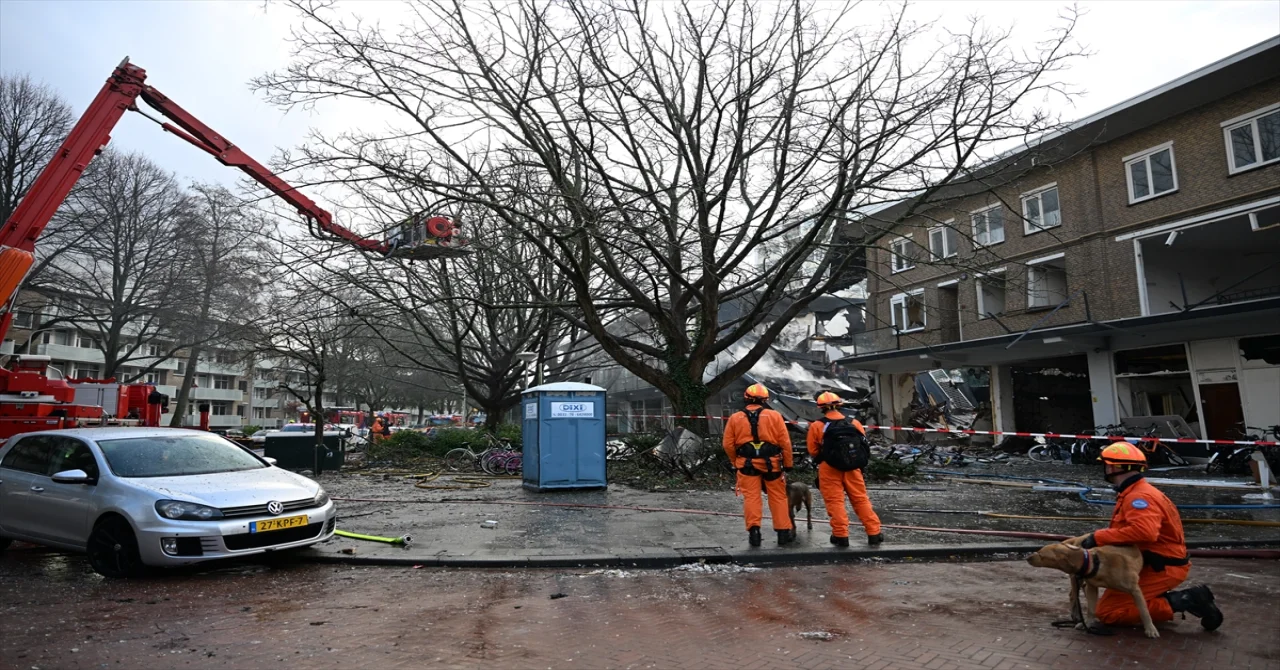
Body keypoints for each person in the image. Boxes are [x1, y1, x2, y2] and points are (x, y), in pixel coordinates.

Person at [1078, 442, 1223, 632]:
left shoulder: (1139, 497)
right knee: (1110, 600)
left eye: (1105, 464)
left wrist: (1098, 538)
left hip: (1160, 567)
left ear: (1112, 467)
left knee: (1108, 612)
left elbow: (1144, 532)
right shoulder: (1133, 492)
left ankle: (1186, 600)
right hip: (1151, 563)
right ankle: (1159, 598)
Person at [722, 383, 795, 547]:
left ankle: (754, 532)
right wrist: (788, 464)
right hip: (773, 465)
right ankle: (783, 533)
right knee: (778, 497)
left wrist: (736, 462)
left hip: (747, 466)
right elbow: (785, 443)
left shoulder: (735, 418)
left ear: (746, 398)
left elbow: (728, 444)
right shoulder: (775, 416)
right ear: (765, 399)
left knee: (752, 498)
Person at [807, 391, 883, 548]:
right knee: (860, 499)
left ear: (820, 407)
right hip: (853, 468)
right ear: (839, 405)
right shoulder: (853, 423)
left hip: (829, 468)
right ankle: (874, 533)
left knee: (835, 502)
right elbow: (864, 445)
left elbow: (813, 451)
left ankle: (841, 536)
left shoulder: (817, 426)